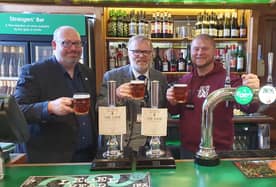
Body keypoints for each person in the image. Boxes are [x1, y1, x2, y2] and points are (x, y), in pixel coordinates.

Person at [166, 34, 260, 158]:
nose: (199, 52)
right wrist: (171, 101)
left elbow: (249, 108)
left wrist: (252, 91)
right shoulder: (185, 80)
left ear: (214, 52)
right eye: (196, 49)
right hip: (188, 150)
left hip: (220, 151)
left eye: (205, 49)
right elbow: (175, 111)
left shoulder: (228, 79)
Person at [13, 26, 98, 163]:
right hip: (52, 159)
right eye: (66, 43)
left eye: (77, 43)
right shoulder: (34, 72)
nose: (73, 48)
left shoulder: (86, 72)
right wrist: (49, 107)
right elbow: (17, 112)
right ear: (54, 45)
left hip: (87, 157)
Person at [97, 35, 168, 152]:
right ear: (128, 53)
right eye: (136, 52)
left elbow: (165, 107)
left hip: (153, 146)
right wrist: (115, 96)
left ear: (152, 54)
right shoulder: (112, 76)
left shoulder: (160, 77)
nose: (141, 55)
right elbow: (98, 108)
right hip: (121, 145)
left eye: (146, 52)